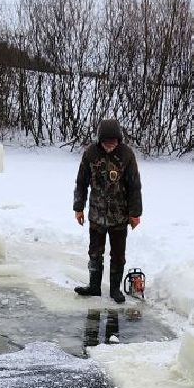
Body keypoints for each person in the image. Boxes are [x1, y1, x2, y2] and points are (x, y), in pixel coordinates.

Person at [73, 118, 142, 303]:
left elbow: (135, 185)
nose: (109, 145)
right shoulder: (90, 153)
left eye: (113, 141)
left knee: (118, 254)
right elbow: (81, 182)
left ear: (118, 139)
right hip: (96, 215)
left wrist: (135, 213)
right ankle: (94, 287)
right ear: (100, 140)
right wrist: (78, 208)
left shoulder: (126, 155)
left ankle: (115, 290)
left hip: (119, 216)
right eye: (106, 141)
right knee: (94, 252)